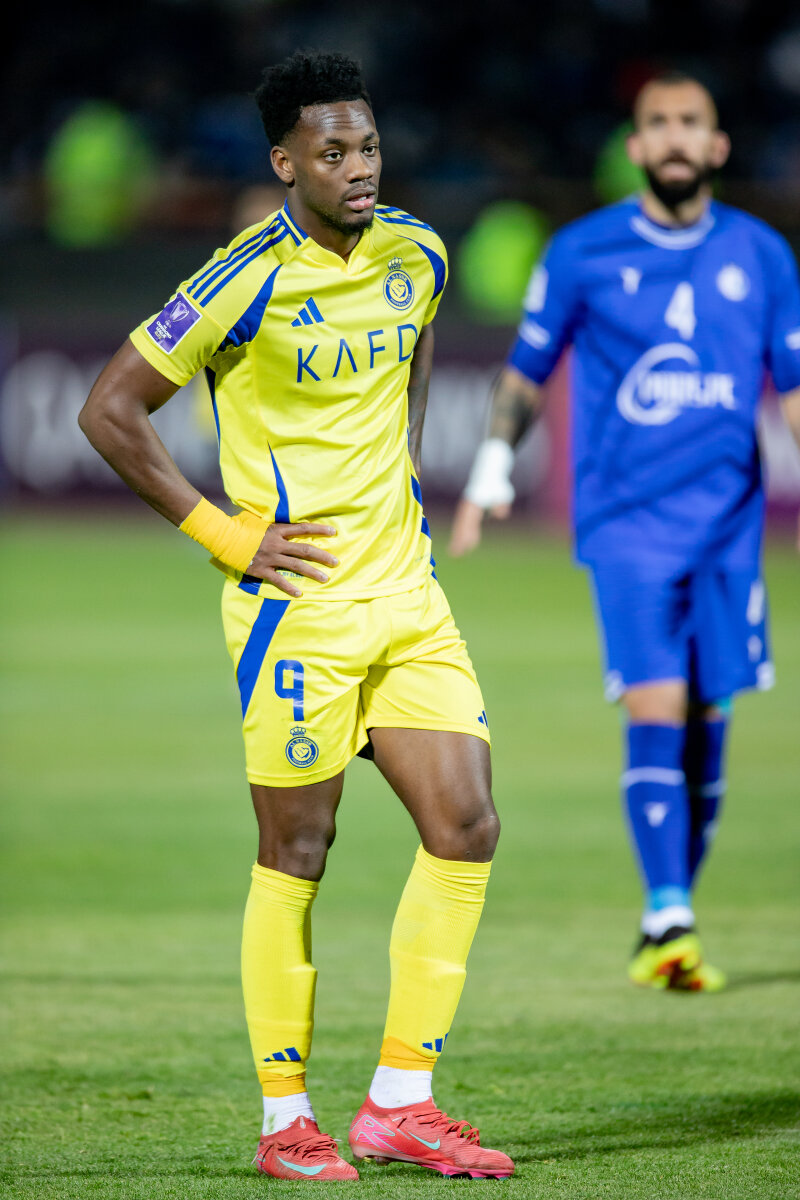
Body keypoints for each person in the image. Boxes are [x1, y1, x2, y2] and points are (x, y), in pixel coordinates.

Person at [78, 51, 513, 1182]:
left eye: (368, 146)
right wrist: (228, 538)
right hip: (299, 614)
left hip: (407, 597)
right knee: (297, 851)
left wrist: (401, 471)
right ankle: (286, 1121)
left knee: (466, 825)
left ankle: (400, 1103)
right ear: (285, 164)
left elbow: (414, 351)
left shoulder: (418, 253)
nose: (359, 168)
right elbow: (110, 410)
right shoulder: (240, 278)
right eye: (333, 152)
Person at [451, 72, 800, 993]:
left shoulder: (763, 256)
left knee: (709, 720)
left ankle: (667, 914)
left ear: (718, 147)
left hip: (728, 527)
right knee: (657, 706)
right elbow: (526, 371)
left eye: (692, 123)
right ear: (636, 147)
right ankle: (670, 914)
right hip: (627, 523)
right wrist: (490, 470)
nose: (676, 137)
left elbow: (794, 389)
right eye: (659, 124)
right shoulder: (582, 252)